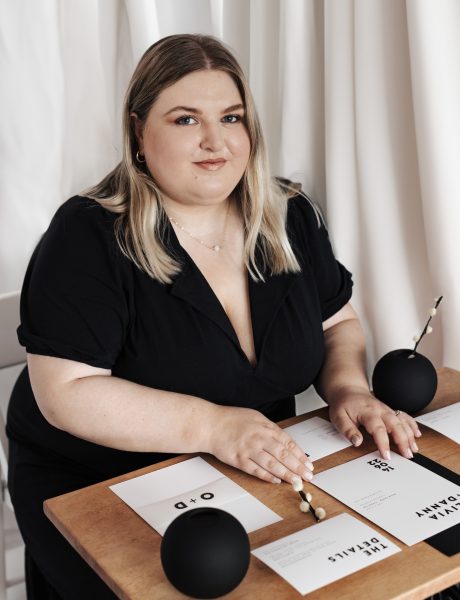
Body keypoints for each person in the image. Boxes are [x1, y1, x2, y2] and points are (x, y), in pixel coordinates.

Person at [7, 34, 421, 599]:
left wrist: (348, 388)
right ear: (138, 131)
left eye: (231, 117)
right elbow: (65, 390)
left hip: (238, 472)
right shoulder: (86, 235)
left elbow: (336, 321)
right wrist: (212, 425)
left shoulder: (288, 214)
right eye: (184, 119)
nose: (214, 141)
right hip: (95, 487)